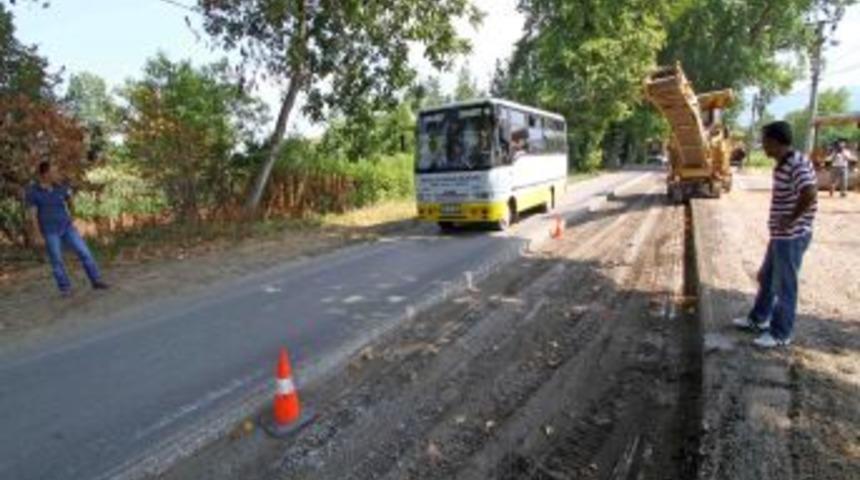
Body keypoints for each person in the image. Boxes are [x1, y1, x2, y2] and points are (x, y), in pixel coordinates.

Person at [732, 121, 817, 348]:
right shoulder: (784, 163)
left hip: (792, 236)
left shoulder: (797, 163)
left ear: (776, 141)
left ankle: (781, 333)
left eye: (765, 141)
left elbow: (809, 192)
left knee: (785, 285)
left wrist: (790, 219)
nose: (763, 146)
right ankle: (758, 319)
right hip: (781, 235)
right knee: (766, 278)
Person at [25, 161, 109, 296]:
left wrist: (74, 218)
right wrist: (37, 234)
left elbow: (70, 202)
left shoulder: (61, 187)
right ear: (45, 174)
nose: (57, 174)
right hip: (50, 231)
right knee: (57, 260)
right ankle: (65, 288)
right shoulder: (33, 192)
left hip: (67, 228)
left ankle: (96, 280)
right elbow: (33, 215)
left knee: (84, 252)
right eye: (54, 172)